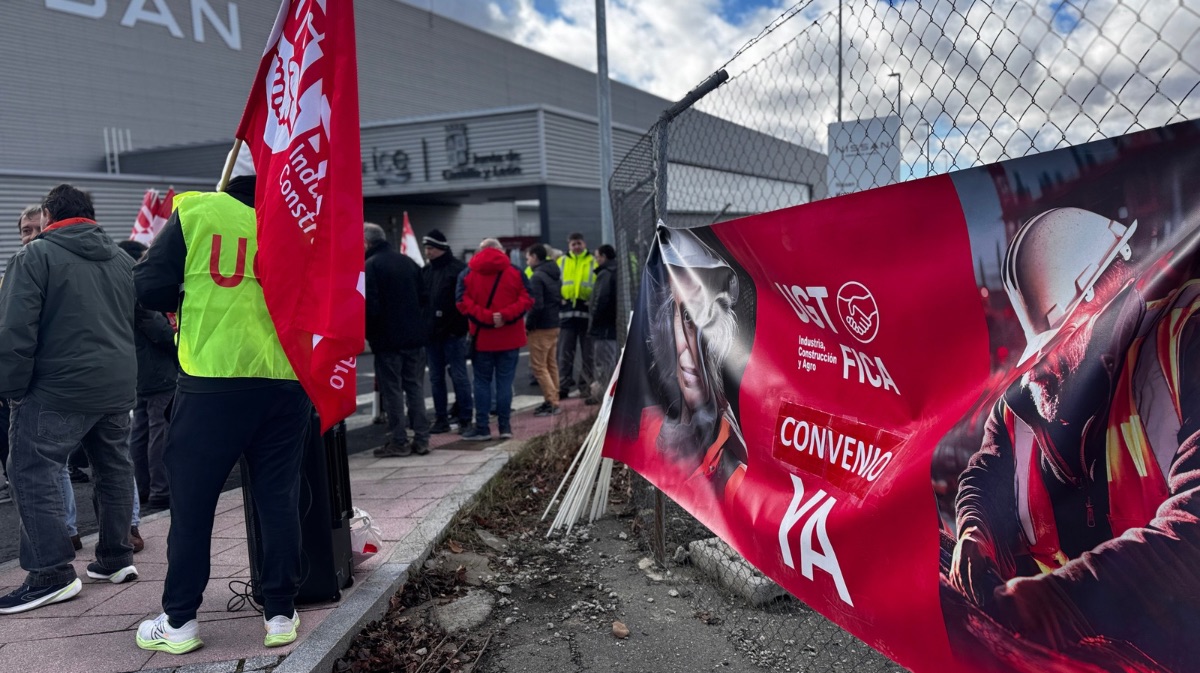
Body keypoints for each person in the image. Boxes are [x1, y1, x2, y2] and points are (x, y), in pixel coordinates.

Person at [944, 208, 1200, 672]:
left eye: (1059, 340)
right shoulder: (1025, 405)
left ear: (1108, 294)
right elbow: (985, 475)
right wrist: (973, 532)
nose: (1041, 367)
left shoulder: (1186, 342)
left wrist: (1063, 602)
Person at [133, 145, 311, 653]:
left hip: (213, 379)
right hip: (283, 379)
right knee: (278, 498)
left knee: (193, 505)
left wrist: (191, 290)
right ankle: (280, 614)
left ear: (231, 175)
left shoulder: (199, 210)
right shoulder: (296, 224)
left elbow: (146, 285)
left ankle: (181, 620)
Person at [0, 185, 138, 614]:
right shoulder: (122, 259)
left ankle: (51, 574)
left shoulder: (34, 257)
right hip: (115, 386)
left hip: (56, 386)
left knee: (31, 467)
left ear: (47, 214)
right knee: (113, 466)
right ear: (90, 214)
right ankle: (116, 558)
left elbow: (14, 331)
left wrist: (11, 390)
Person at [641, 227, 747, 504]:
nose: (695, 346)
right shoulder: (646, 428)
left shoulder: (735, 472)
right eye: (688, 315)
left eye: (708, 321)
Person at [117, 239, 177, 516]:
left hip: (137, 372)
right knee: (158, 431)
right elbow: (160, 331)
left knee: (139, 432)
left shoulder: (118, 288)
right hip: (157, 371)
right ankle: (160, 490)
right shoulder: (139, 291)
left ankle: (142, 489)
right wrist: (177, 340)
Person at [365, 222, 431, 457]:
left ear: (367, 242)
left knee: (392, 391)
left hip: (387, 341)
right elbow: (425, 298)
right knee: (414, 388)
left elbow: (370, 306)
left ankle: (399, 441)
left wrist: (370, 334)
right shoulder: (408, 262)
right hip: (414, 337)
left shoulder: (371, 265)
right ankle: (422, 439)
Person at [458, 238, 533, 441]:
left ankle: (482, 427)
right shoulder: (515, 271)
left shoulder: (467, 273)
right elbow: (527, 298)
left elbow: (462, 302)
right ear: (500, 250)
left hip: (482, 337)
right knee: (504, 382)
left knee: (481, 382)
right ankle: (505, 426)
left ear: (480, 251)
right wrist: (505, 315)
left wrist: (486, 318)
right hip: (510, 337)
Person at [0, 206, 46, 507]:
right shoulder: (14, 274)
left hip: (52, 382)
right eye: (25, 231)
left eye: (37, 230)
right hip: (23, 384)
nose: (30, 237)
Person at [421, 229, 473, 434]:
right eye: (426, 248)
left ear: (441, 248)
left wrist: (456, 328)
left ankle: (465, 417)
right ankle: (441, 418)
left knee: (458, 376)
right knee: (435, 378)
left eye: (431, 248)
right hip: (432, 335)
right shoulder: (426, 272)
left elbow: (462, 303)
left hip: (453, 334)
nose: (428, 252)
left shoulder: (458, 270)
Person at [525, 244, 563, 417]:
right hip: (554, 323)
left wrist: (528, 324)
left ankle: (551, 402)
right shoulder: (553, 273)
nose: (527, 261)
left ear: (535, 257)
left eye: (528, 258)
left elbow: (536, 305)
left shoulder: (537, 277)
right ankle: (554, 398)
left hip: (540, 327)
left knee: (539, 367)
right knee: (551, 364)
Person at [557, 232, 595, 400]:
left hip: (587, 312)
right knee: (565, 352)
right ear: (569, 245)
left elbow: (597, 283)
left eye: (579, 243)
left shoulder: (592, 260)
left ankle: (585, 387)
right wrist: (559, 299)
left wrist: (592, 301)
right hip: (567, 314)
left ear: (584, 243)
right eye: (573, 244)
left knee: (588, 354)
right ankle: (563, 386)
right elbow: (555, 283)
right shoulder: (562, 261)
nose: (576, 246)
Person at [587, 243, 619, 405]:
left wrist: (595, 319)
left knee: (603, 362)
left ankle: (605, 397)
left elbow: (601, 300)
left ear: (604, 257)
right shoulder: (619, 270)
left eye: (597, 256)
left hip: (604, 328)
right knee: (612, 360)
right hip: (614, 325)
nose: (596, 259)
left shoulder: (605, 274)